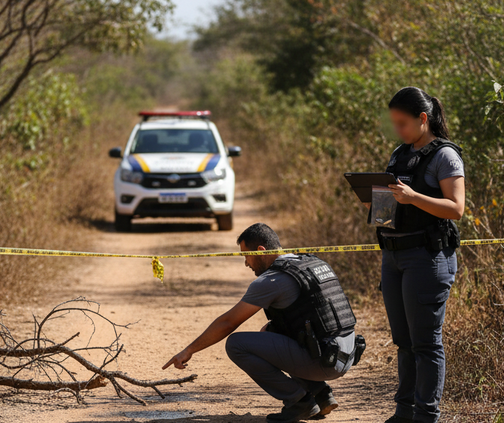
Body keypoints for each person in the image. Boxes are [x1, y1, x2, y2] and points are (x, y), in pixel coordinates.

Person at [163, 223, 363, 422]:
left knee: (236, 344)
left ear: (260, 251)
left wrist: (189, 350)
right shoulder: (311, 263)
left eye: (246, 256)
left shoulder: (272, 280)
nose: (246, 263)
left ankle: (300, 402)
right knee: (271, 330)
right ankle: (321, 395)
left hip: (326, 363)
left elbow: (228, 322)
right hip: (345, 353)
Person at [373, 87, 465, 423]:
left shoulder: (445, 157)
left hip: (428, 259)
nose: (398, 130)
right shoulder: (400, 153)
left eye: (403, 123)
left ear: (423, 119)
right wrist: (378, 203)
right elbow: (390, 210)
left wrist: (412, 197)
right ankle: (403, 412)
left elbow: (456, 208)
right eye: (394, 123)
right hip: (394, 258)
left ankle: (426, 417)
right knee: (404, 341)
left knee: (425, 342)